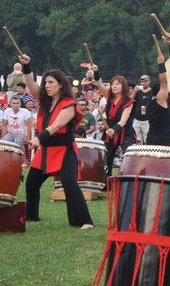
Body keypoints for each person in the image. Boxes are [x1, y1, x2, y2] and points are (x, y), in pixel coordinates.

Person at [19, 56, 94, 230]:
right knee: (31, 182)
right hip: (46, 150)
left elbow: (57, 125)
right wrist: (26, 66)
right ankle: (31, 216)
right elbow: (30, 83)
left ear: (60, 84)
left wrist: (38, 139)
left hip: (64, 149)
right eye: (45, 82)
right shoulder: (44, 101)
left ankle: (84, 221)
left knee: (69, 182)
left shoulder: (69, 104)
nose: (46, 85)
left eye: (51, 82)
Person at [102, 74, 136, 173]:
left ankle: (129, 178)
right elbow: (99, 84)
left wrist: (114, 130)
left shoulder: (129, 101)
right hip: (110, 132)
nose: (114, 86)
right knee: (107, 158)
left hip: (125, 132)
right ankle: (106, 179)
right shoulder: (109, 98)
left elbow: (123, 121)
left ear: (123, 86)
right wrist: (96, 72)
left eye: (117, 84)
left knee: (128, 156)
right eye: (112, 84)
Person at [132, 74, 153, 145]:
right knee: (136, 139)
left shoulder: (152, 92)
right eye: (142, 81)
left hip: (147, 119)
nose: (143, 83)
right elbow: (131, 101)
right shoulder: (138, 92)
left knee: (147, 139)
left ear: (149, 81)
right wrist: (134, 91)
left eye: (145, 81)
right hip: (137, 119)